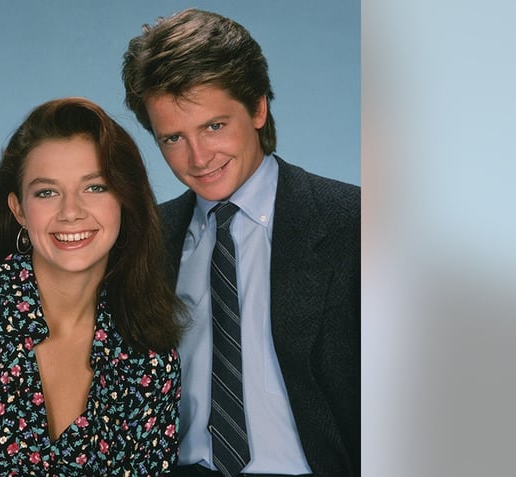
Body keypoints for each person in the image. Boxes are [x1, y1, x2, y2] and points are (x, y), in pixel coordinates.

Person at [122, 9, 360, 477]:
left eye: (214, 126)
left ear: (257, 108)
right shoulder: (145, 242)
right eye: (173, 138)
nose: (198, 157)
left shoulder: (356, 224)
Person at [0, 97, 185, 476]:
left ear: (125, 201)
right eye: (47, 192)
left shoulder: (148, 360)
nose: (71, 211)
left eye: (95, 188)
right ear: (19, 209)